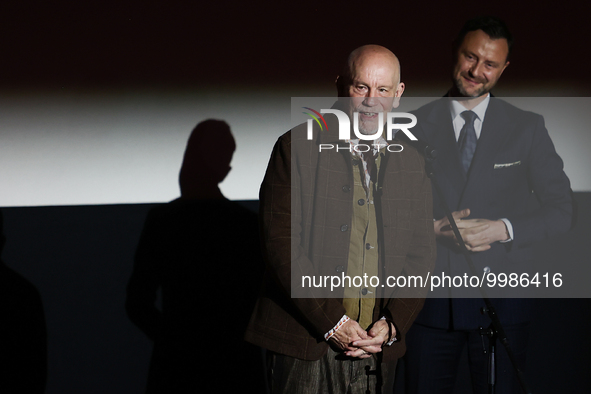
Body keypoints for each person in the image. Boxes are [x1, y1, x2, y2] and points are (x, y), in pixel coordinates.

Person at [245, 45, 436, 394]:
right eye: (360, 87)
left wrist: (392, 326)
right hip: (305, 344)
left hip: (376, 348)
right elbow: (280, 244)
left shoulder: (411, 161)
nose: (370, 100)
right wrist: (333, 323)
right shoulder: (297, 147)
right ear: (340, 86)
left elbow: (420, 255)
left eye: (383, 90)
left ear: (398, 95)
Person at [402, 16, 574, 394]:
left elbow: (562, 211)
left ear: (504, 68)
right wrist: (428, 230)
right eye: (470, 57)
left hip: (502, 306)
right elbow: (384, 213)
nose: (477, 71)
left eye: (490, 64)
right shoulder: (411, 126)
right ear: (455, 52)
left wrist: (504, 229)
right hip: (429, 305)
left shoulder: (527, 127)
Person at [125, 120, 265, 393]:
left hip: (179, 371)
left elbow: (137, 302)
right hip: (236, 369)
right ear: (225, 169)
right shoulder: (247, 225)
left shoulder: (163, 221)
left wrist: (175, 343)